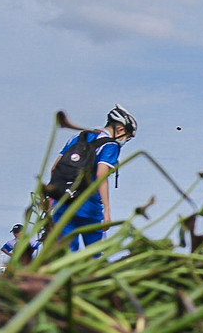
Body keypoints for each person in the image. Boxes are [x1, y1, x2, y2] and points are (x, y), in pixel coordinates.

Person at [47, 106, 138, 252]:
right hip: (89, 207)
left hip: (62, 202)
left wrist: (51, 198)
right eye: (127, 136)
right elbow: (101, 175)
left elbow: (54, 168)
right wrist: (107, 209)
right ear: (121, 129)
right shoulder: (110, 145)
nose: (126, 140)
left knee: (65, 251)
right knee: (95, 253)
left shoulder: (77, 138)